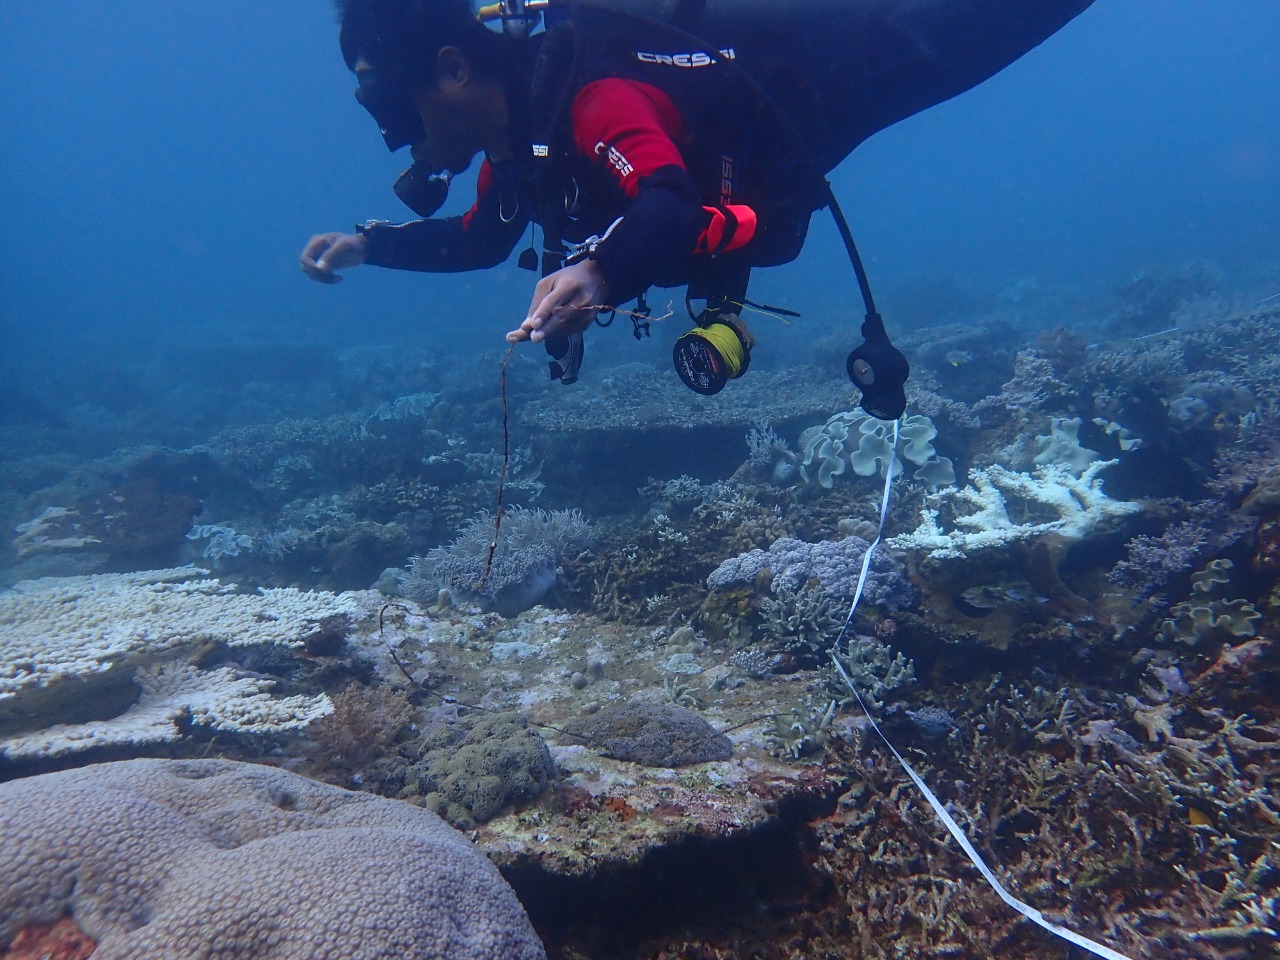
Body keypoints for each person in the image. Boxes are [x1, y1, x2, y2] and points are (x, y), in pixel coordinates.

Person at [301, 0, 1094, 411]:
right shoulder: (520, 157)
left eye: (398, 114)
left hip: (842, 71)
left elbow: (669, 204)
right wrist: (371, 245)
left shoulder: (591, 102)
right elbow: (477, 241)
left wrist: (600, 274)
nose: (402, 144)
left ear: (454, 70)